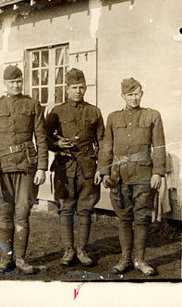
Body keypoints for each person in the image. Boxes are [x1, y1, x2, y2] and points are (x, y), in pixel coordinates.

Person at [0, 65, 48, 274]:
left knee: (22, 213)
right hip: (2, 169)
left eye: (19, 81)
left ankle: (20, 258)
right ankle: (5, 258)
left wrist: (42, 167)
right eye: (12, 82)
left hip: (27, 167)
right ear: (5, 84)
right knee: (5, 214)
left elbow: (42, 138)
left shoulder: (33, 104)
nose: (16, 85)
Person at [96, 77, 166, 276]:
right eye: (130, 95)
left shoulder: (152, 116)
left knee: (142, 218)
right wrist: (105, 171)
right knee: (124, 219)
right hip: (120, 176)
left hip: (144, 174)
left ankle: (140, 260)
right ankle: (125, 259)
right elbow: (106, 147)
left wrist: (158, 172)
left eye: (137, 94)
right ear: (123, 96)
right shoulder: (113, 118)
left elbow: (159, 146)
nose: (134, 98)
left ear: (142, 94)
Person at [46, 68, 104, 266]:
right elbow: (43, 137)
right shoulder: (56, 112)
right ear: (67, 88)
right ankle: (68, 250)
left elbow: (103, 141)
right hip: (65, 167)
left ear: (85, 88)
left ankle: (82, 249)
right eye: (74, 87)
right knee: (66, 209)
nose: (78, 91)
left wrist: (101, 168)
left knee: (85, 209)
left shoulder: (94, 111)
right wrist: (57, 145)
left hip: (88, 166)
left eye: (81, 87)